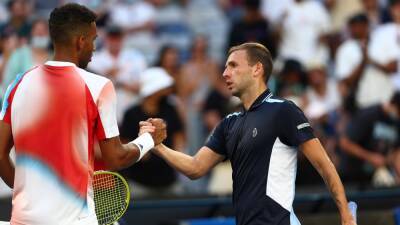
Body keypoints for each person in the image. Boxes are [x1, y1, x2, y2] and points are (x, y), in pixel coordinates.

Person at [146, 43, 356, 225]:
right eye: (226, 66)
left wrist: (346, 216)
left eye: (233, 65)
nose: (225, 73)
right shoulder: (228, 123)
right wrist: (158, 146)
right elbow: (195, 168)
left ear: (257, 69)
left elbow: (324, 164)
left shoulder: (283, 110)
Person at [0, 3, 166, 225]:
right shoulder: (99, 86)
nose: (95, 48)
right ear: (80, 41)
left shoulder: (18, 83)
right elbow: (115, 157)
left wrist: (29, 191)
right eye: (94, 39)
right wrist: (149, 140)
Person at [340, 92, 400, 187]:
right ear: (393, 105)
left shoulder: (396, 122)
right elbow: (345, 143)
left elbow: (396, 151)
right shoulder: (369, 115)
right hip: (353, 177)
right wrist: (370, 157)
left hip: (375, 178)